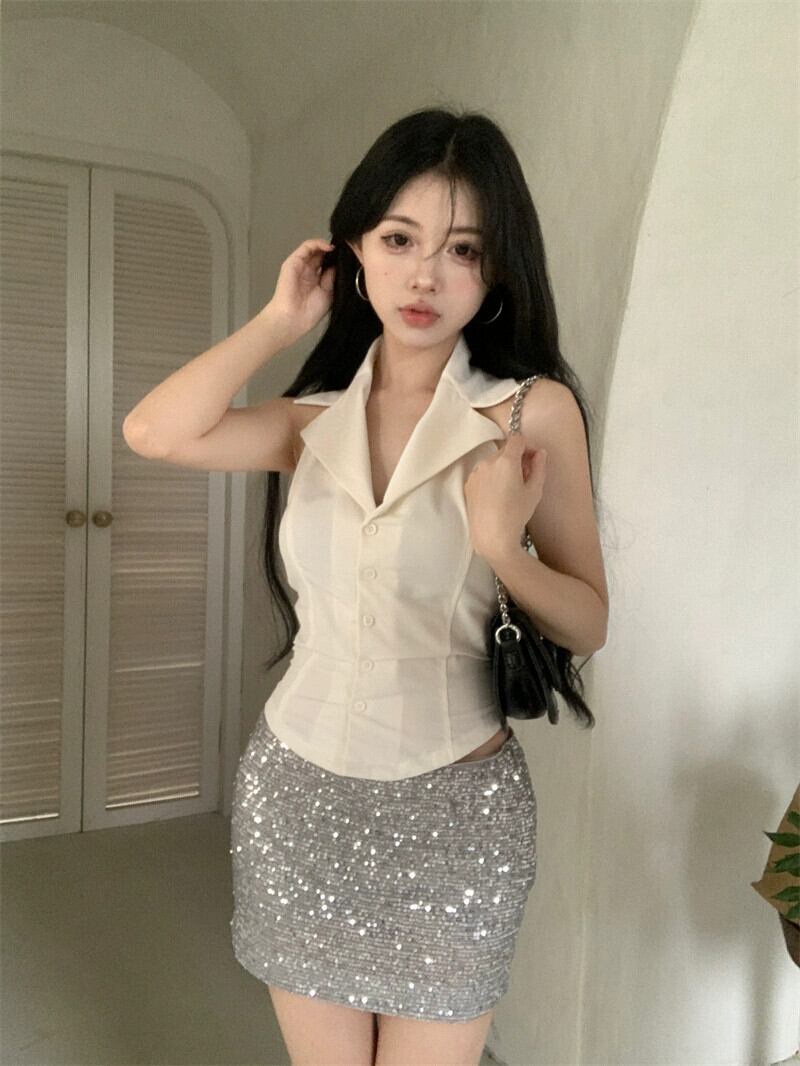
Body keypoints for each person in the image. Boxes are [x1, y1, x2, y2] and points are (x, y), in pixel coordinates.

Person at [123, 106, 608, 1066]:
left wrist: (504, 551)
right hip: (296, 798)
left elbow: (588, 619)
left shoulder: (528, 414)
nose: (425, 275)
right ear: (353, 251)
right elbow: (154, 432)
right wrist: (279, 320)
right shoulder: (309, 421)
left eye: (463, 249)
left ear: (497, 271)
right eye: (398, 239)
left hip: (458, 816)